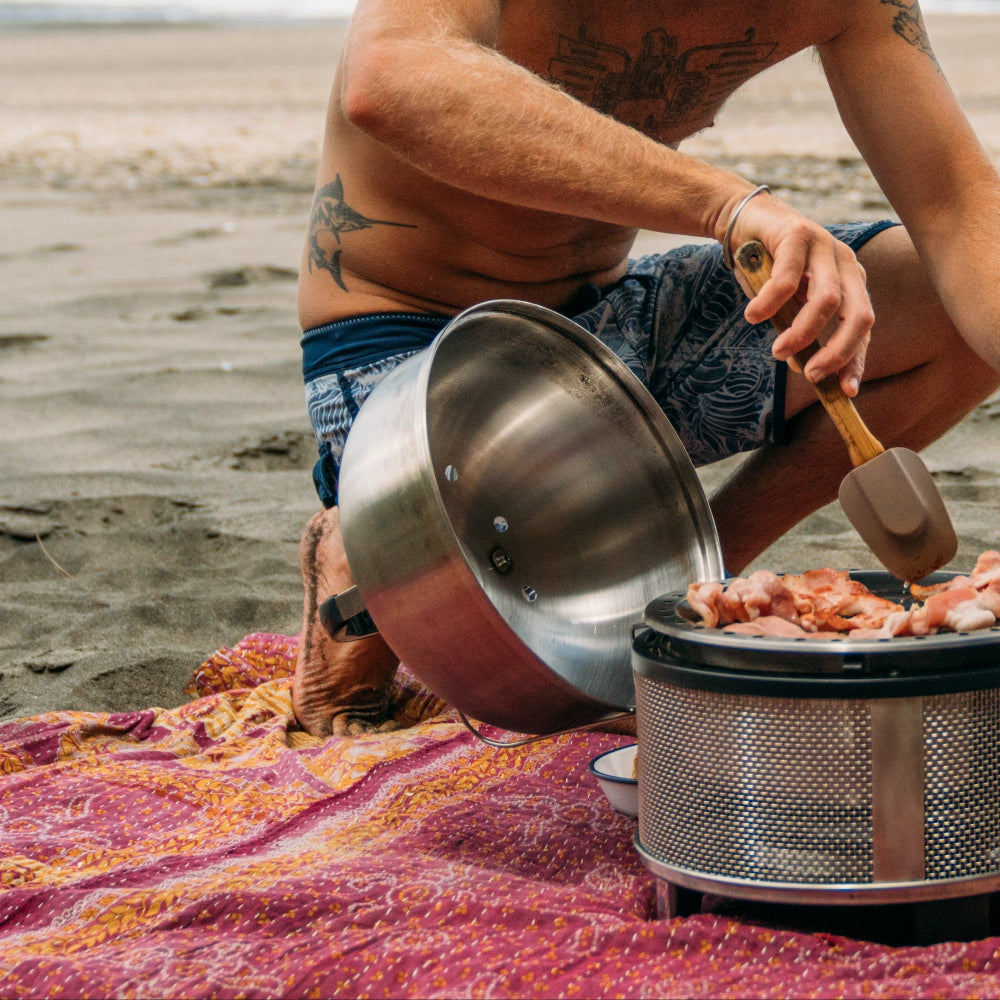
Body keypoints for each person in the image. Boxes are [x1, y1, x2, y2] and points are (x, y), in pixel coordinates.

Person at [291, 0, 1000, 737]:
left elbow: (957, 204)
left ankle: (675, 596)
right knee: (510, 593)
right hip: (412, 351)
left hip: (613, 325)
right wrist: (727, 205)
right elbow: (392, 75)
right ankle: (363, 546)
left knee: (947, 315)